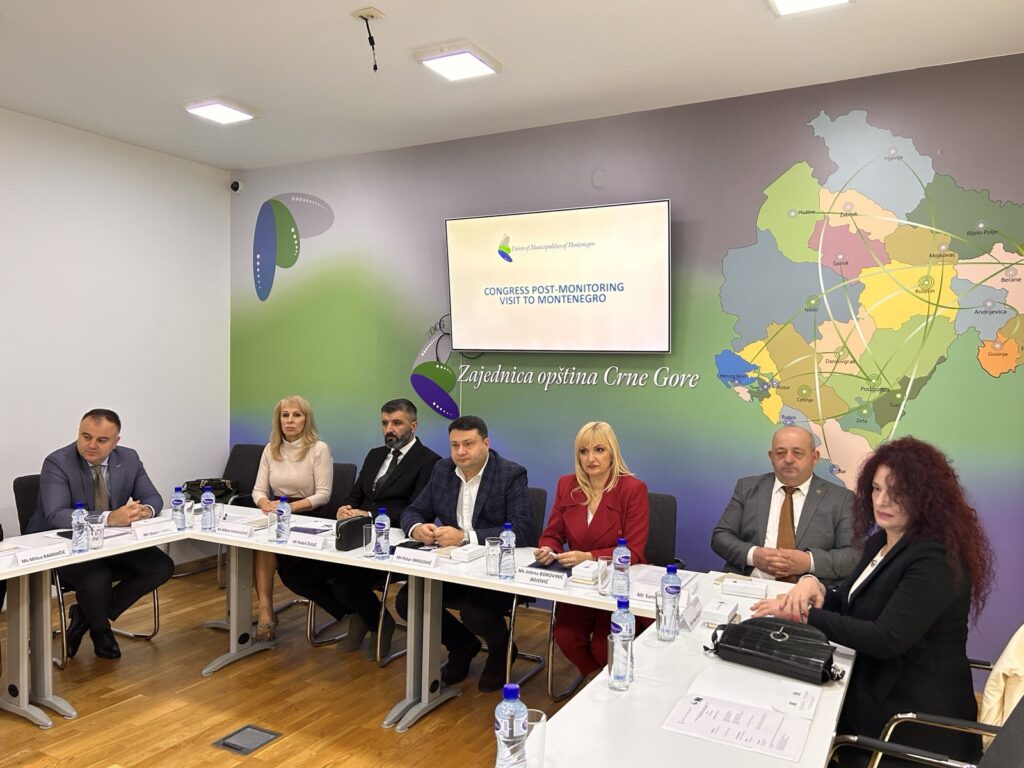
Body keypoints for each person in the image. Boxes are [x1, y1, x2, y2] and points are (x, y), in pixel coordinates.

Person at [752, 436, 994, 766]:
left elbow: (886, 638)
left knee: (794, 728)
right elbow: (851, 603)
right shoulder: (882, 541)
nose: (882, 501)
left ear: (927, 497)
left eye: (897, 492)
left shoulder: (934, 559)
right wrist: (816, 588)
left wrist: (808, 616)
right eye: (877, 489)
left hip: (909, 716)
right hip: (875, 681)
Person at [278, 398, 441, 657]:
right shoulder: (375, 455)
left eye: (396, 423)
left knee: (345, 585)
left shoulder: (430, 461)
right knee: (295, 574)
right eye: (385, 423)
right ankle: (357, 615)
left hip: (390, 542)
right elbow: (356, 493)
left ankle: (379, 623)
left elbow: (418, 510)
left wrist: (369, 514)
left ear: (414, 426)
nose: (389, 429)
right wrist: (346, 508)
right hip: (354, 536)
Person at [397, 415, 531, 691]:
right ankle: (461, 644)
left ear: (486, 443)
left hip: (494, 571)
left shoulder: (510, 474)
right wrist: (418, 528)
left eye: (468, 444)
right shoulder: (442, 470)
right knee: (408, 600)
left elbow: (521, 530)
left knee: (474, 611)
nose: (460, 452)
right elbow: (413, 511)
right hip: (453, 568)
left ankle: (502, 650)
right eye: (455, 445)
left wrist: (466, 537)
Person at [28, 409, 174, 659]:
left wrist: (145, 511)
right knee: (97, 578)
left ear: (116, 441)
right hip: (66, 546)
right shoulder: (58, 462)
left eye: (102, 440)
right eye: (86, 437)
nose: (91, 445)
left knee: (161, 566)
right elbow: (56, 515)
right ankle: (101, 630)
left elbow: (152, 497)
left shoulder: (128, 458)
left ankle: (84, 616)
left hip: (110, 543)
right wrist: (109, 518)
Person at [534, 421, 649, 677]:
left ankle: (606, 680)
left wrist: (588, 557)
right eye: (583, 452)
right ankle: (596, 678)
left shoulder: (632, 489)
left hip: (618, 583)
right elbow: (553, 533)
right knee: (566, 637)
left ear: (612, 453)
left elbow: (634, 550)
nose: (591, 459)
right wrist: (548, 548)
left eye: (599, 450)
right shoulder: (567, 485)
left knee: (602, 646)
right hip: (581, 584)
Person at [711, 425, 857, 585]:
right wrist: (754, 555)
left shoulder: (841, 499)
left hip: (806, 591)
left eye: (797, 452)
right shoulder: (747, 488)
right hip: (748, 585)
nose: (788, 459)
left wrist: (809, 562)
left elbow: (852, 556)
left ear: (814, 457)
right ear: (771, 457)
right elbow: (721, 537)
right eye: (780, 453)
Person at [250, 395, 332, 641]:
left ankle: (266, 612)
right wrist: (265, 503)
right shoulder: (270, 449)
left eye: (297, 415)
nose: (290, 420)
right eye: (285, 415)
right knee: (260, 544)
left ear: (306, 419)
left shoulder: (319, 449)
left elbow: (323, 495)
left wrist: (289, 508)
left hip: (309, 515)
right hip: (277, 513)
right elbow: (258, 490)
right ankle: (266, 611)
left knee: (269, 546)